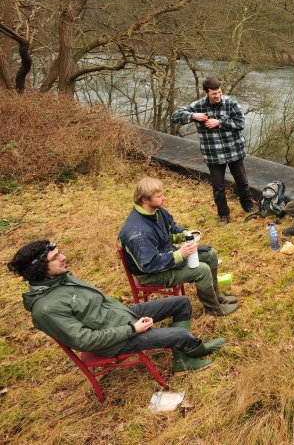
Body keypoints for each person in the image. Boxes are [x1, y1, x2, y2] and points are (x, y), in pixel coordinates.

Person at [8, 240, 225, 372]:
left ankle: (182, 358)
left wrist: (129, 318)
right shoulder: (46, 309)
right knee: (180, 334)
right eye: (56, 257)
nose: (64, 257)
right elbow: (84, 340)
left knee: (182, 303)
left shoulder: (59, 278)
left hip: (120, 315)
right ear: (39, 269)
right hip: (115, 340)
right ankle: (189, 351)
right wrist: (132, 329)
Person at [119, 177, 238, 316]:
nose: (164, 198)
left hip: (167, 256)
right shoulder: (138, 233)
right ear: (145, 200)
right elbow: (150, 265)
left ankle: (217, 297)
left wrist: (186, 234)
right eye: (159, 196)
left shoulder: (157, 212)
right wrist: (180, 254)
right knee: (202, 270)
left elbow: (171, 230)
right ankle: (215, 310)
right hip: (151, 274)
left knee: (210, 254)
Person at [171, 77, 254, 225]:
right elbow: (175, 117)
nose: (218, 96)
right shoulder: (198, 106)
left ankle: (249, 207)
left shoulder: (231, 103)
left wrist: (220, 122)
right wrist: (192, 116)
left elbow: (241, 123)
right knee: (218, 186)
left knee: (242, 181)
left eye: (219, 92)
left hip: (234, 150)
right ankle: (223, 215)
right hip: (213, 154)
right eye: (214, 93)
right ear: (206, 93)